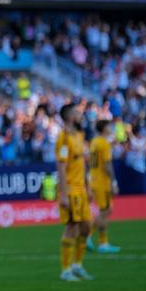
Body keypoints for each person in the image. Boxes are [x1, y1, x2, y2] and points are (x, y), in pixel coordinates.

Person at [55, 103, 93, 281]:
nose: (80, 114)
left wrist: (87, 186)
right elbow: (61, 167)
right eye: (77, 112)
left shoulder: (79, 135)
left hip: (82, 189)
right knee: (72, 227)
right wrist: (63, 194)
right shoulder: (63, 138)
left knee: (86, 227)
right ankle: (65, 270)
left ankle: (77, 265)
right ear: (69, 116)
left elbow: (82, 164)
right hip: (70, 189)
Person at [87, 120, 121, 253]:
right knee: (105, 212)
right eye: (109, 126)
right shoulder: (104, 143)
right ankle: (99, 241)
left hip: (94, 179)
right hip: (102, 181)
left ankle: (97, 240)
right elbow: (107, 165)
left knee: (105, 211)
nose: (111, 128)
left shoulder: (94, 142)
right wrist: (114, 182)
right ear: (104, 128)